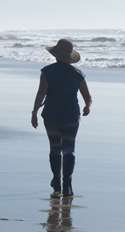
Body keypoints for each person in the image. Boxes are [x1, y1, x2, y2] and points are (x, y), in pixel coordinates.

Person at [31, 39, 92, 197]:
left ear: (56, 55)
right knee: (69, 149)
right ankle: (67, 185)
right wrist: (87, 107)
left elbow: (41, 93)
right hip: (71, 115)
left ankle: (57, 184)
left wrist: (34, 112)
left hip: (51, 115)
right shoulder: (78, 74)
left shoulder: (47, 72)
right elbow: (88, 98)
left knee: (55, 148)